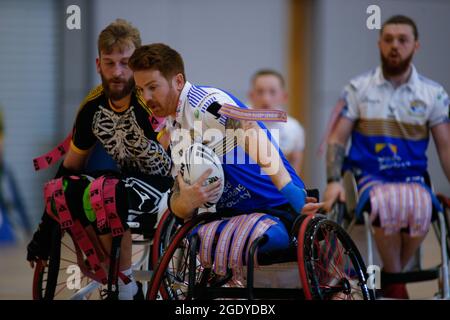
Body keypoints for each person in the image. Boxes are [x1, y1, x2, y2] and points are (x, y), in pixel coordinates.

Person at [129, 43, 322, 275]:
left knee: (258, 238)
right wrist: (185, 203)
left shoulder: (207, 102)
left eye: (152, 87)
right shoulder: (172, 130)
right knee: (195, 240)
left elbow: (252, 133)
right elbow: (179, 205)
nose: (146, 97)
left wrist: (290, 190)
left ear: (178, 81)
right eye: (140, 90)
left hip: (275, 204)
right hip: (235, 214)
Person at [26, 19, 173, 300]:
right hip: (123, 180)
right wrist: (43, 232)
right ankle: (108, 270)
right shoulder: (92, 106)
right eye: (109, 63)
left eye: (125, 63)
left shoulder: (151, 98)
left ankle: (125, 285)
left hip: (165, 182)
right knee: (63, 189)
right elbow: (69, 166)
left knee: (105, 190)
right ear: (98, 64)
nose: (117, 72)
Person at [323, 15, 450, 298]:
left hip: (414, 178)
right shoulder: (358, 89)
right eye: (388, 39)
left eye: (402, 40)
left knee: (422, 205)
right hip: (370, 178)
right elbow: (336, 140)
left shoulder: (433, 94)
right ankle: (397, 283)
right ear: (379, 43)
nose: (395, 46)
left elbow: (446, 147)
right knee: (387, 204)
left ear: (416, 45)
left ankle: (392, 279)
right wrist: (333, 180)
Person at [248, 69, 305, 174]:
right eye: (260, 92)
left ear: (284, 97)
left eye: (272, 92)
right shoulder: (236, 123)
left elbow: (295, 172)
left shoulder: (294, 128)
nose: (266, 99)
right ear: (251, 96)